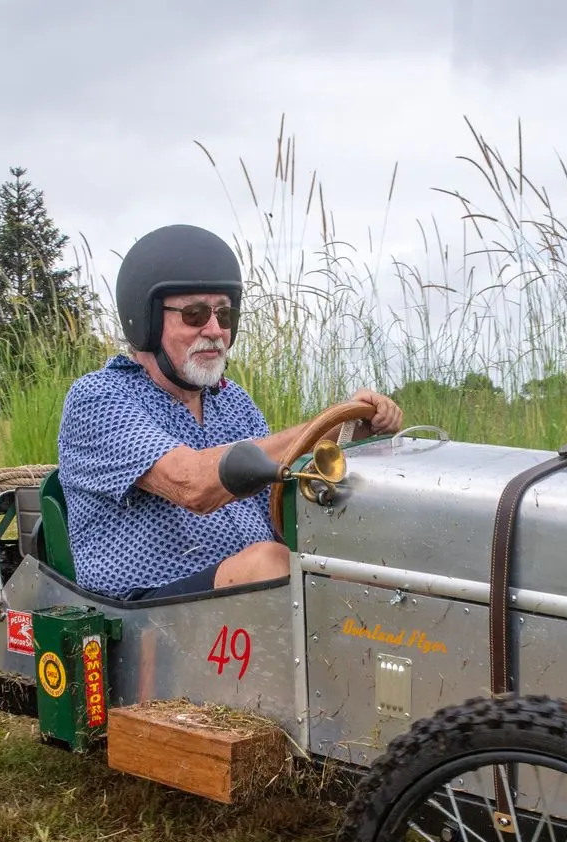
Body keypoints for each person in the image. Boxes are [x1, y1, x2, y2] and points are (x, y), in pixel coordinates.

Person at [56, 225, 402, 600]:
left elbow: (279, 487)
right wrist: (326, 423)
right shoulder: (99, 397)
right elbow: (192, 485)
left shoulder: (232, 400)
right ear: (148, 320)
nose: (215, 329)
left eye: (224, 315)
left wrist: (350, 429)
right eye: (194, 314)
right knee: (269, 565)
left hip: (241, 598)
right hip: (146, 607)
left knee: (372, 556)